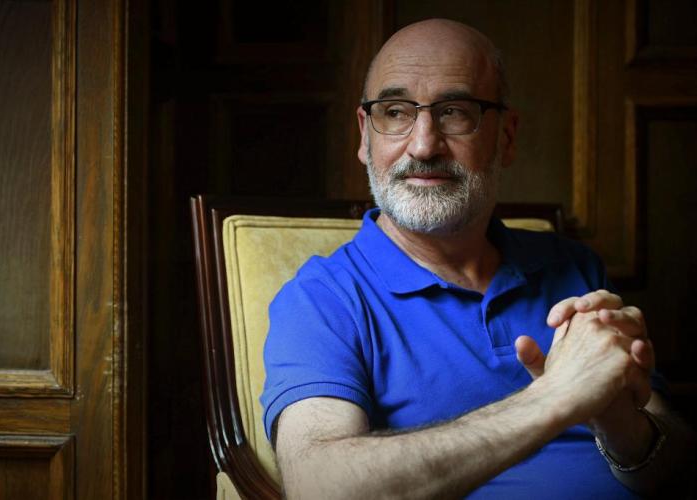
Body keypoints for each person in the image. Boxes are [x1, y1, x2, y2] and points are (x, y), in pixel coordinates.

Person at [260, 18, 694, 498]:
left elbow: (676, 467)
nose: (424, 145)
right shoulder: (322, 299)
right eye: (396, 111)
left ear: (506, 137)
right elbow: (319, 487)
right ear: (365, 136)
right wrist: (553, 398)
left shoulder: (573, 267)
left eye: (454, 112)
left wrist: (617, 422)